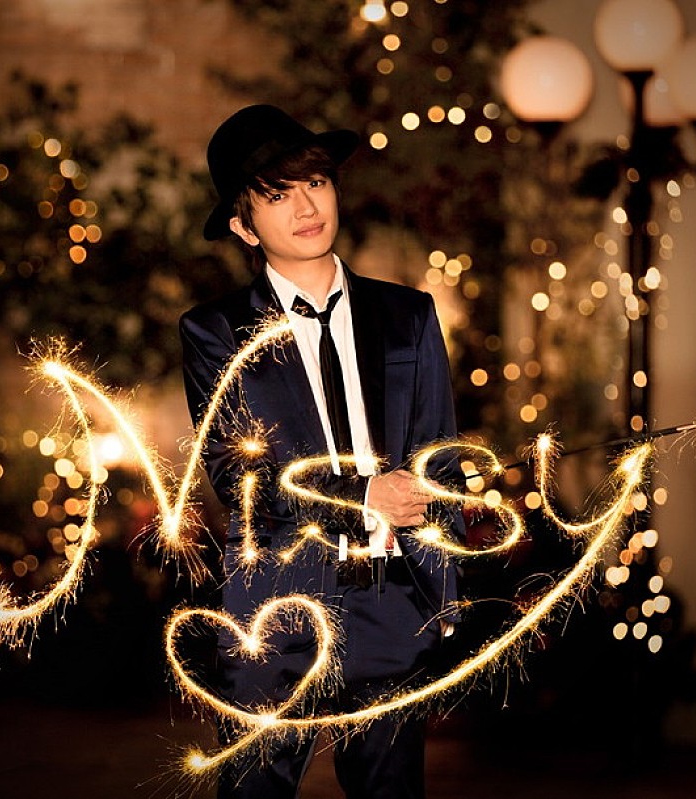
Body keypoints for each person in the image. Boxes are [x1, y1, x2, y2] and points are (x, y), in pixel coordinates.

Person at [180, 104, 463, 799]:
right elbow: (239, 473)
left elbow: (440, 454)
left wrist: (444, 600)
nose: (307, 207)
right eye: (278, 194)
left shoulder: (408, 315)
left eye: (316, 182)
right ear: (244, 225)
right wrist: (362, 495)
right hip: (275, 609)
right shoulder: (215, 331)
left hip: (394, 602)